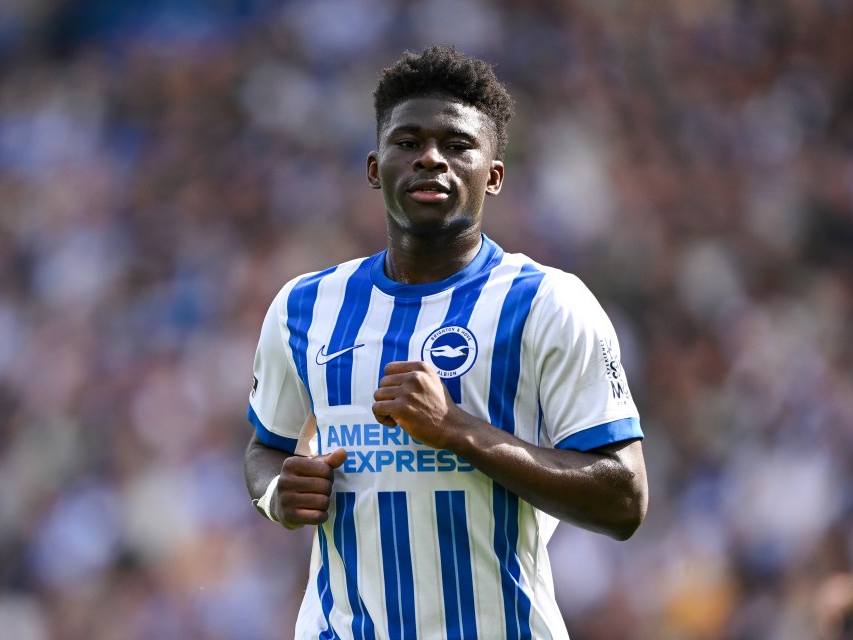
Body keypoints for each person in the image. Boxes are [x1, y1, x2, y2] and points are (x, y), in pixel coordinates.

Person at [244, 44, 648, 639]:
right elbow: (265, 448)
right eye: (408, 142)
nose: (431, 158)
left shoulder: (548, 303)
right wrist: (279, 492)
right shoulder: (303, 306)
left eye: (458, 146)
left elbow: (624, 500)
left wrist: (455, 429)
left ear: (494, 175)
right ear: (375, 168)